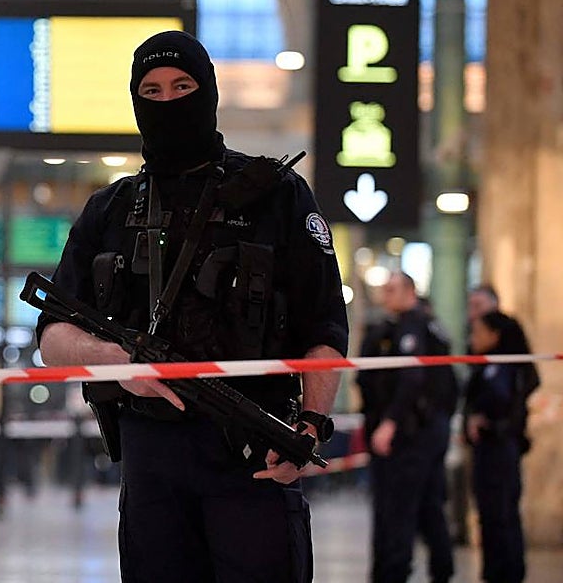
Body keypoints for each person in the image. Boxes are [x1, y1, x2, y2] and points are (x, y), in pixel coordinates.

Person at [36, 30, 348, 583]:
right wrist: (115, 362)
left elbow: (323, 324)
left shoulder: (277, 196)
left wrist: (311, 425)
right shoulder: (109, 209)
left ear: (209, 92)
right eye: (151, 92)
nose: (169, 102)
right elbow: (52, 338)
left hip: (255, 456)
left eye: (183, 86)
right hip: (150, 463)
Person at [356, 272, 457, 583]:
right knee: (427, 506)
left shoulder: (413, 327)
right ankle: (441, 570)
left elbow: (411, 380)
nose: (385, 295)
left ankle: (392, 573)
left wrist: (389, 423)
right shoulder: (420, 327)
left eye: (392, 289)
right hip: (424, 432)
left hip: (410, 435)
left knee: (397, 509)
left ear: (410, 291)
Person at [465, 309, 539, 583]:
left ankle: (505, 573)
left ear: (494, 335)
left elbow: (505, 406)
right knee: (492, 514)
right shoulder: (489, 367)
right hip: (491, 449)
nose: (474, 338)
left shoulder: (504, 369)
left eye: (479, 332)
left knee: (500, 515)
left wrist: (485, 422)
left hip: (499, 450)